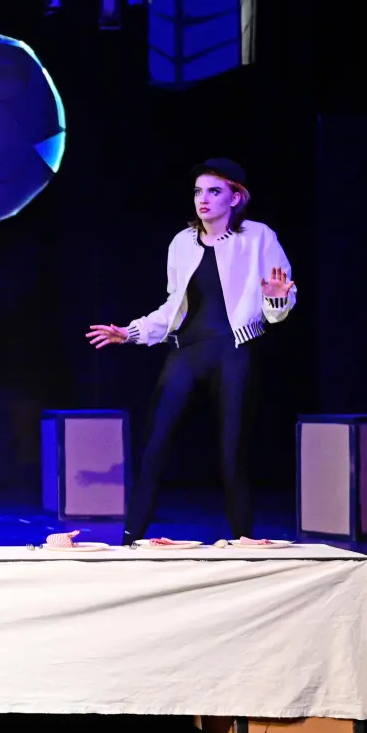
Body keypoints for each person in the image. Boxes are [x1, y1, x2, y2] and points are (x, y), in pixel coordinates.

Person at [86, 158, 296, 544]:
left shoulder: (258, 237)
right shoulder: (182, 242)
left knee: (232, 451)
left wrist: (277, 298)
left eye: (215, 191)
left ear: (235, 197)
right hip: (188, 351)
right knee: (154, 445)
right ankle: (129, 540)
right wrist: (130, 333)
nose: (204, 199)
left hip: (234, 350)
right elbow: (173, 306)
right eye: (199, 191)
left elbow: (277, 311)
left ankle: (244, 542)